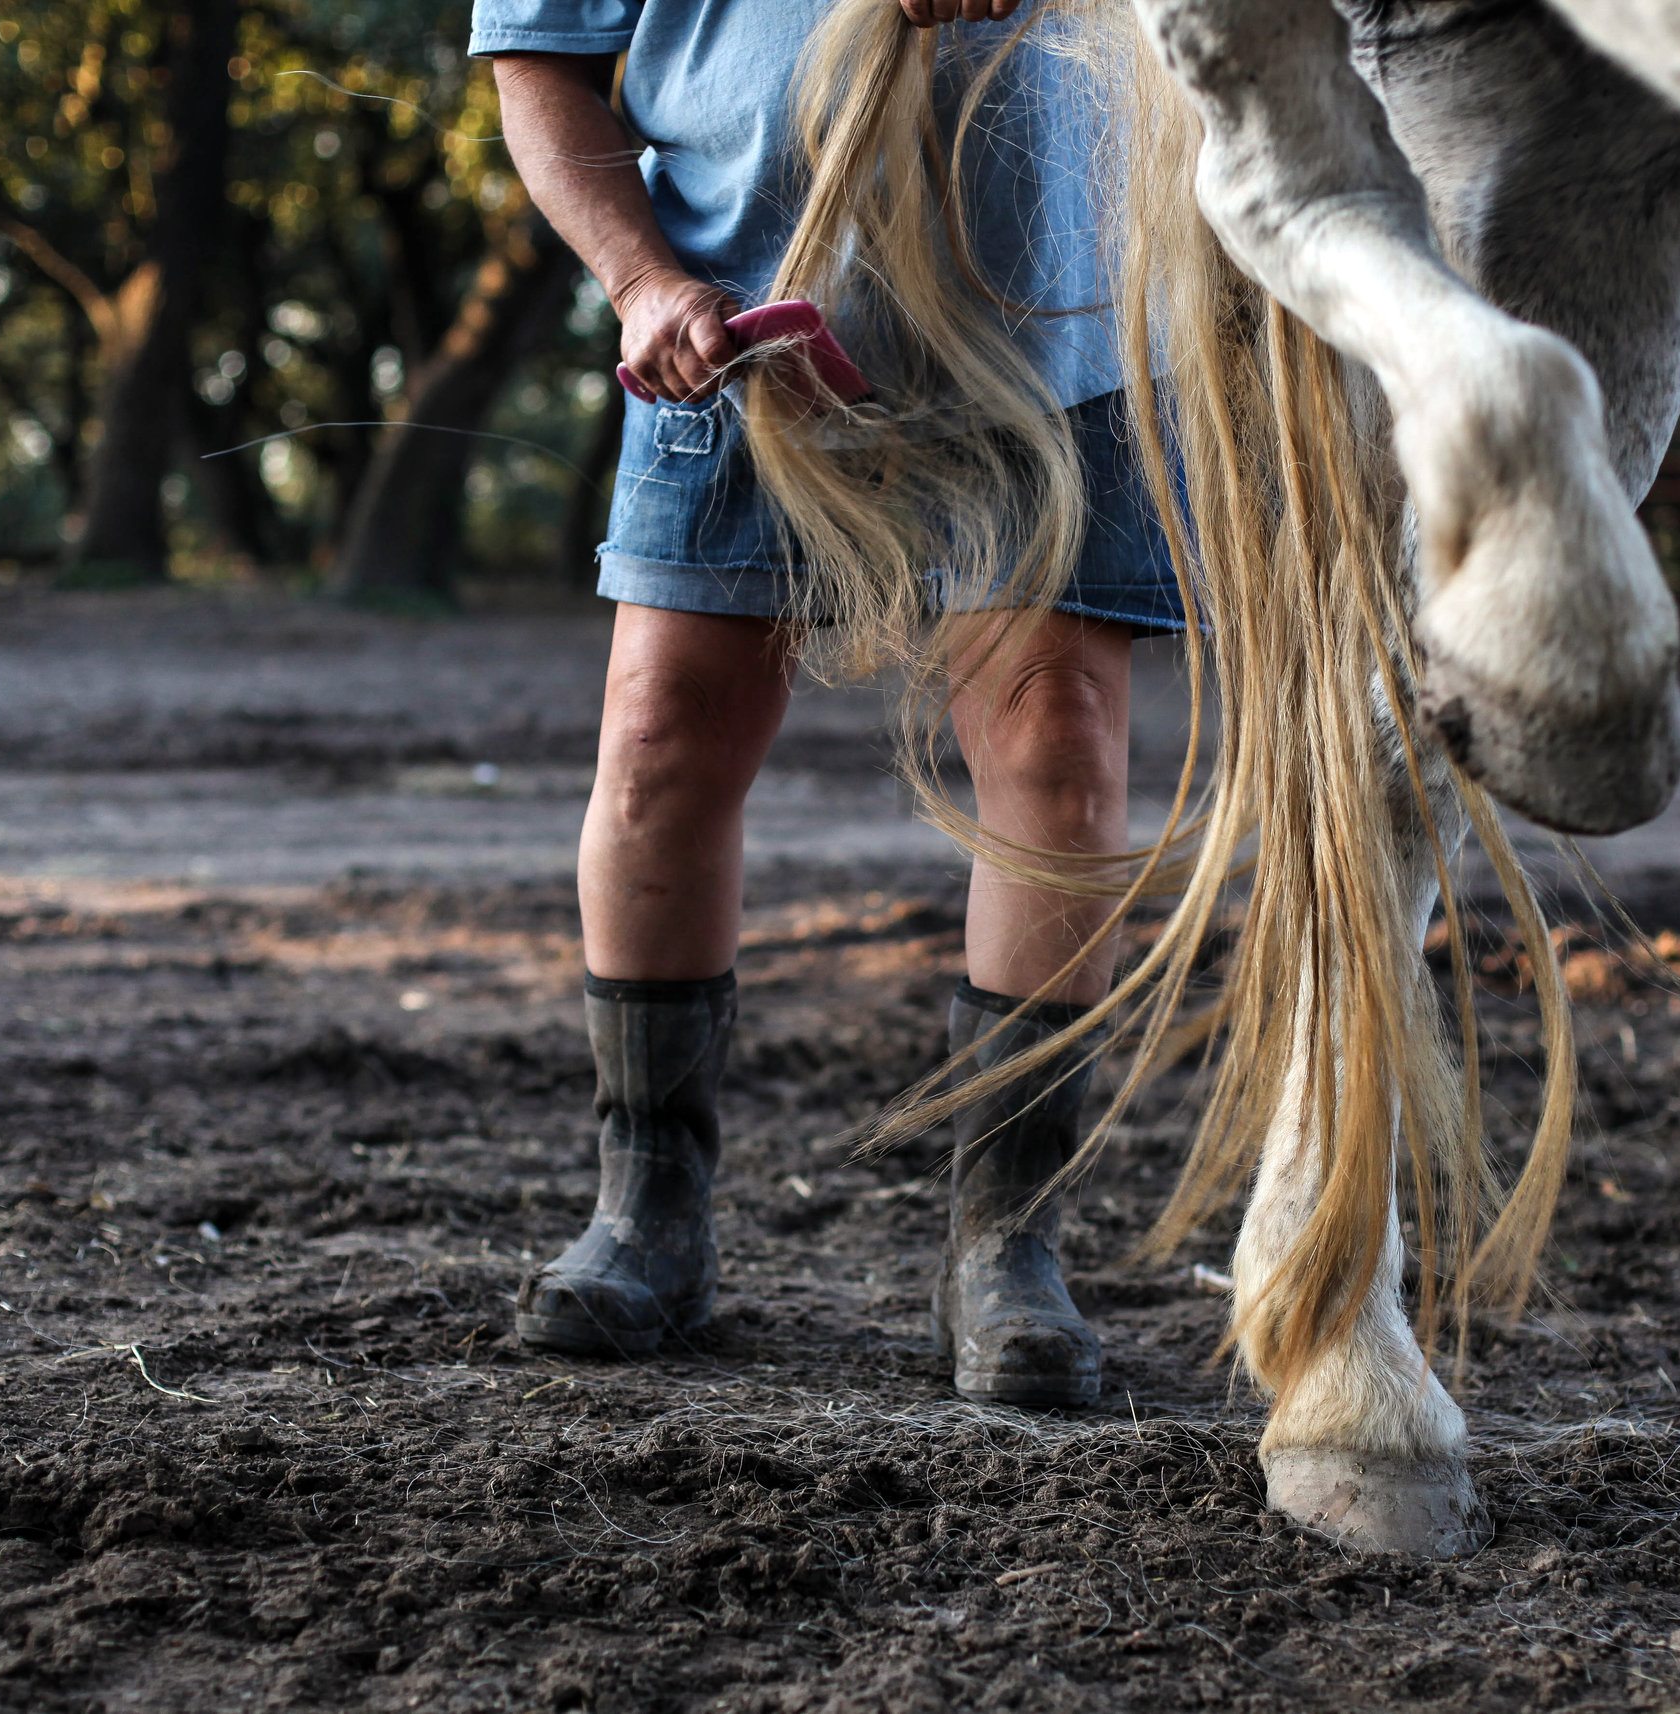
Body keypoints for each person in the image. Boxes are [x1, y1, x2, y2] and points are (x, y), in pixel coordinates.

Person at [472, 0, 1183, 1408]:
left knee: (1060, 746)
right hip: (736, 329)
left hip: (1070, 337)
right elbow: (537, 62)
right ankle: (646, 1210)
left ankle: (1007, 1245)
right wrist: (637, 280)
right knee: (662, 744)